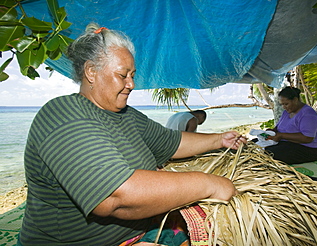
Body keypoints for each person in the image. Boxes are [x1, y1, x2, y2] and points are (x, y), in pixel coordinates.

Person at [17, 23, 246, 246]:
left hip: (139, 230)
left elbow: (172, 142)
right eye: (123, 75)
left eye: (133, 75)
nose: (132, 84)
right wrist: (209, 184)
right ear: (91, 72)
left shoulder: (127, 115)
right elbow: (115, 197)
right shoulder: (62, 115)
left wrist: (218, 139)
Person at [264, 86, 317, 164]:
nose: (284, 107)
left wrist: (281, 136)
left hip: (307, 149)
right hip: (287, 143)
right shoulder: (286, 112)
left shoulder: (308, 114)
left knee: (269, 154)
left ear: (295, 100)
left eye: (286, 104)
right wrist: (272, 131)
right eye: (282, 104)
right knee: (254, 144)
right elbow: (278, 128)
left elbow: (308, 138)